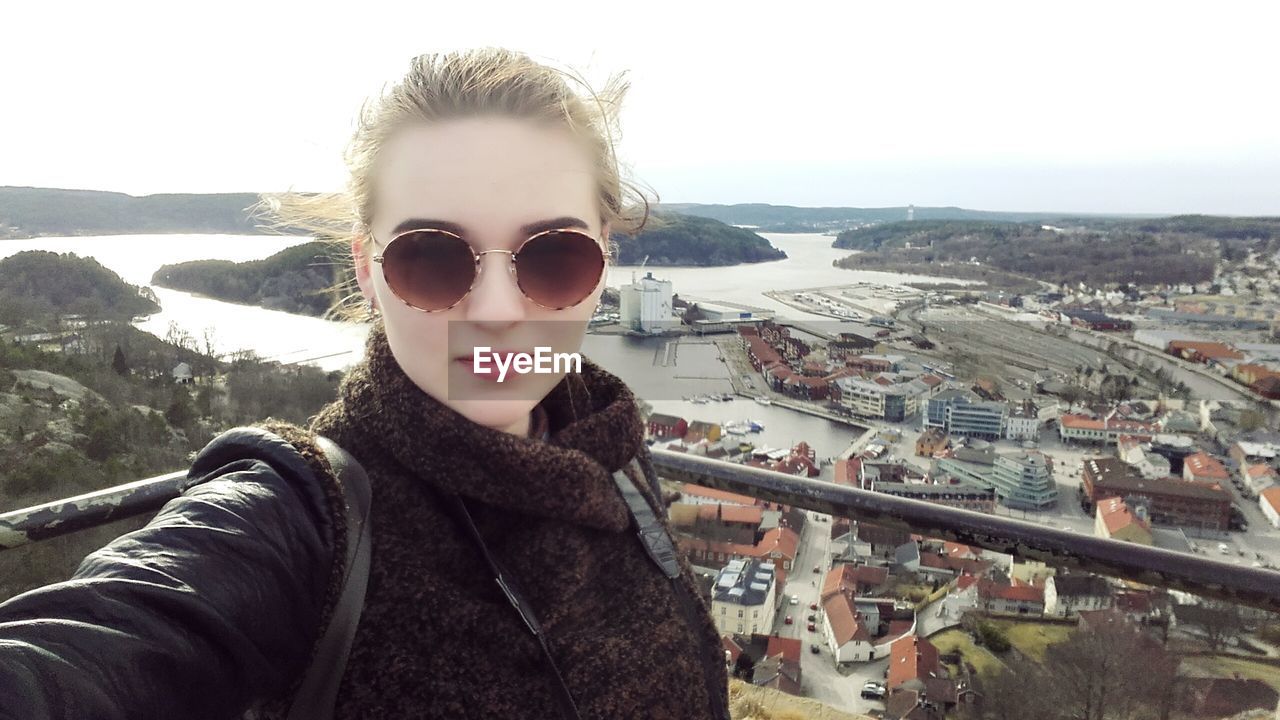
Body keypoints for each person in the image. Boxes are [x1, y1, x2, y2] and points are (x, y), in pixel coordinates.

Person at [0, 48, 732, 719]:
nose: (501, 310)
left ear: (604, 256)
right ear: (365, 269)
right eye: (432, 259)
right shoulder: (300, 521)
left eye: (554, 258)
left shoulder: (611, 449)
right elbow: (95, 648)